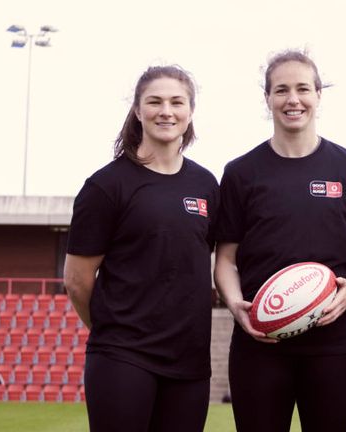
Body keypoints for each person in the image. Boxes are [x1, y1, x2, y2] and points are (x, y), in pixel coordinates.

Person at [214, 49, 346, 432]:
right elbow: (225, 260)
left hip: (335, 340)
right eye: (281, 90)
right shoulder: (240, 173)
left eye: (303, 88)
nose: (293, 99)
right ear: (267, 98)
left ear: (319, 95)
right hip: (260, 342)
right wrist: (236, 306)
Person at [64, 65, 219, 432]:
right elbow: (77, 279)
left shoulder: (206, 184)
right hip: (123, 357)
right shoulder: (106, 185)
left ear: (190, 111)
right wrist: (113, 332)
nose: (166, 110)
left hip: (189, 361)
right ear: (137, 110)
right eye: (155, 101)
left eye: (176, 102)